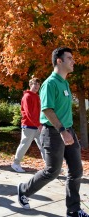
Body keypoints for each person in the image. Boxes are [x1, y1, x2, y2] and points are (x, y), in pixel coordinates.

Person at [17, 47, 89, 217]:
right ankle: (23, 190)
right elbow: (47, 110)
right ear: (59, 61)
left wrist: (68, 130)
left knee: (76, 170)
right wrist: (62, 130)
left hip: (67, 130)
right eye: (69, 58)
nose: (73, 61)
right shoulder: (50, 83)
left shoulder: (65, 83)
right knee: (53, 171)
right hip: (53, 132)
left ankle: (73, 209)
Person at [11, 78, 46, 173]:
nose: (37, 87)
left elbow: (39, 111)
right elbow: (29, 113)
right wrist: (38, 124)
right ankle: (16, 163)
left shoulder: (36, 96)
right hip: (29, 126)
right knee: (24, 145)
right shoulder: (27, 96)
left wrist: (41, 123)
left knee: (44, 146)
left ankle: (50, 167)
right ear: (30, 84)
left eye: (38, 85)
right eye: (35, 84)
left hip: (38, 126)